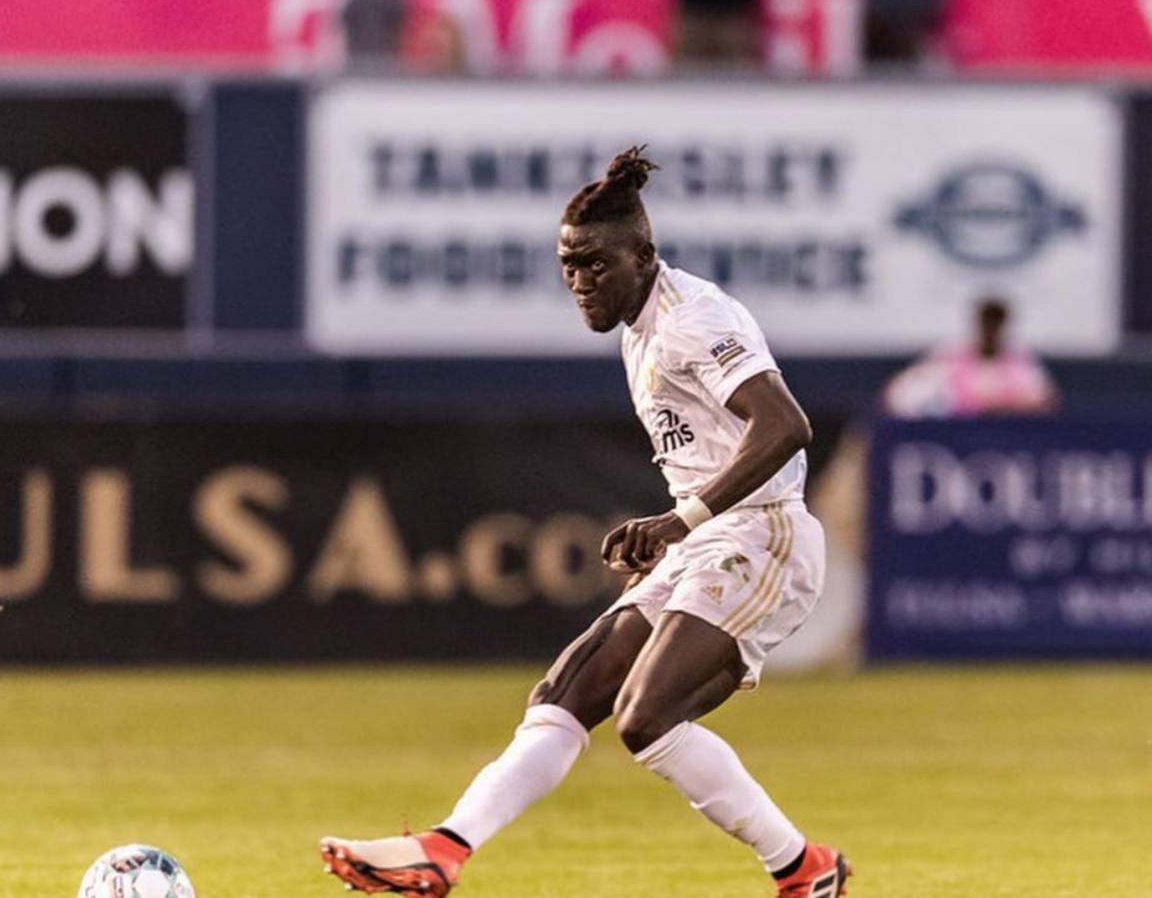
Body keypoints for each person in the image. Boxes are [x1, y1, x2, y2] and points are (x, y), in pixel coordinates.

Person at [319, 147, 851, 898]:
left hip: (764, 537)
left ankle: (804, 869)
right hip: (709, 539)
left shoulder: (693, 319)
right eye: (568, 266)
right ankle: (443, 850)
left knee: (645, 718)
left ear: (644, 255)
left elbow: (786, 425)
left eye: (596, 265)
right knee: (562, 695)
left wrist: (679, 520)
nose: (579, 282)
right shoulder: (640, 326)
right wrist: (681, 529)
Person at [882, 298, 1059, 418]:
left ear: (1004, 325)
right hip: (958, 436)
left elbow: (1045, 400)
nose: (991, 329)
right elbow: (901, 394)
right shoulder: (951, 356)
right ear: (978, 322)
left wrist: (1001, 405)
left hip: (1008, 436)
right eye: (986, 322)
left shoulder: (1020, 359)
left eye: (996, 323)